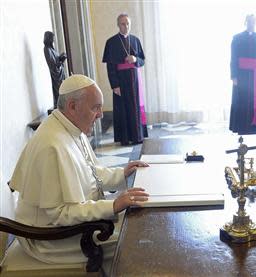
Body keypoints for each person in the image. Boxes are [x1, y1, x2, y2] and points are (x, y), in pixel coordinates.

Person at [9, 74, 150, 267]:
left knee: (138, 231)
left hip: (72, 225)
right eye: (96, 107)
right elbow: (59, 214)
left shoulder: (71, 127)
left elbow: (91, 173)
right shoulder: (51, 145)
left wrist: (122, 173)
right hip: (49, 238)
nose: (101, 114)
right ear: (73, 107)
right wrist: (113, 205)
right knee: (137, 243)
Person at [102, 13, 148, 146]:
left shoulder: (135, 40)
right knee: (123, 108)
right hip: (121, 81)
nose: (126, 26)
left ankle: (137, 136)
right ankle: (125, 138)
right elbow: (110, 66)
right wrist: (115, 85)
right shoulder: (111, 42)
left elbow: (142, 60)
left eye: (128, 23)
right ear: (118, 25)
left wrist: (135, 59)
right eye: (123, 23)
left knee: (135, 108)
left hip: (134, 81)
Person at [229, 14, 256, 135]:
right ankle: (240, 127)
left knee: (254, 100)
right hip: (241, 74)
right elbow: (233, 58)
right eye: (249, 21)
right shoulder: (237, 37)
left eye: (253, 21)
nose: (251, 24)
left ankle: (254, 127)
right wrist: (233, 76)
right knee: (241, 100)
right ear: (245, 22)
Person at [44, 31, 67, 109]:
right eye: (52, 38)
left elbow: (56, 60)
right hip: (56, 74)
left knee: (63, 90)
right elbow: (52, 64)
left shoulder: (52, 49)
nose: (53, 40)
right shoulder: (47, 49)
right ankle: (60, 106)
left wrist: (61, 58)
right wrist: (60, 61)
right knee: (59, 90)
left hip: (60, 72)